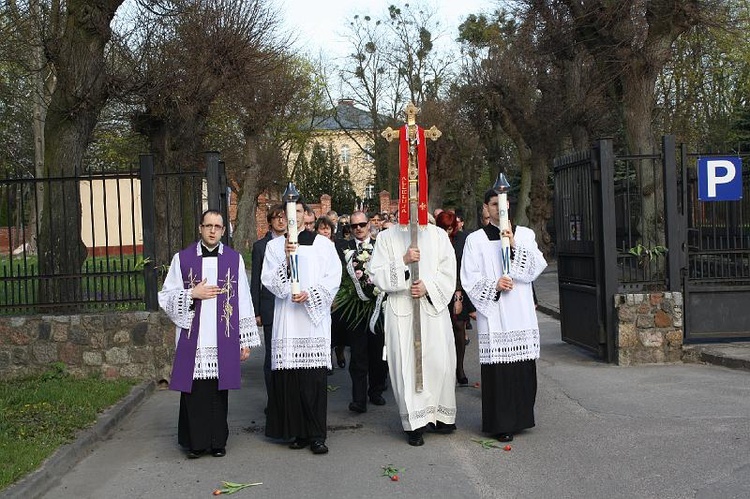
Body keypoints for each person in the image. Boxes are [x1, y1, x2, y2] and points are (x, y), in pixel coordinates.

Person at [158, 209, 260, 459]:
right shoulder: (181, 259)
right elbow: (166, 296)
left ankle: (217, 442)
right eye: (208, 226)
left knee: (217, 390)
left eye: (218, 226)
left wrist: (244, 340)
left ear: (224, 231)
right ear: (200, 229)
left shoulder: (234, 260)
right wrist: (192, 294)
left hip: (222, 337)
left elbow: (244, 300)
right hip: (194, 336)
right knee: (193, 390)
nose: (213, 230)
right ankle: (195, 443)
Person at [460, 188, 547, 443]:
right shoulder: (475, 240)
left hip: (519, 310)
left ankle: (522, 417)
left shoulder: (526, 235)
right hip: (495, 313)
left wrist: (515, 245)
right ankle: (502, 423)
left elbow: (535, 267)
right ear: (486, 208)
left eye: (504, 204)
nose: (499, 208)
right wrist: (494, 285)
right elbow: (469, 277)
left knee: (522, 366)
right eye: (494, 204)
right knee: (499, 371)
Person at [369, 213, 458, 446]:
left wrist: (428, 287)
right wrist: (403, 260)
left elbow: (449, 270)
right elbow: (375, 274)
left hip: (432, 309)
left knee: (439, 363)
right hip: (402, 310)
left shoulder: (438, 235)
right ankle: (414, 424)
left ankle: (440, 415)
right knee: (408, 368)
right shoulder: (386, 237)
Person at [261, 199, 342, 455]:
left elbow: (333, 277)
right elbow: (270, 281)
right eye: (288, 213)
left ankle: (317, 434)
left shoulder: (322, 244)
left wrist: (312, 294)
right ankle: (297, 431)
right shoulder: (275, 246)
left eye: (297, 211)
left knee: (313, 381)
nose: (292, 217)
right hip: (288, 320)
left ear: (306, 215)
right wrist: (286, 259)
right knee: (292, 380)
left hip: (312, 321)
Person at [341, 211, 388, 414]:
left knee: (378, 353)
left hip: (378, 308)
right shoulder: (343, 248)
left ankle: (376, 390)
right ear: (350, 229)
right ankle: (358, 399)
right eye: (354, 226)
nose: (358, 228)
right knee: (358, 355)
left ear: (369, 224)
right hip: (355, 308)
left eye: (362, 224)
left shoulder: (380, 246)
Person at [251, 204, 287, 412]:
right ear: (270, 221)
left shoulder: (295, 241)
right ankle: (273, 400)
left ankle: (286, 398)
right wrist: (256, 311)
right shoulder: (260, 247)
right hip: (270, 306)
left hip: (291, 306)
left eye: (283, 217)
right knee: (272, 356)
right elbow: (256, 280)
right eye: (276, 218)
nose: (280, 221)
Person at [435, 210, 469, 387]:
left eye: (450, 228)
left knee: (458, 327)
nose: (447, 232)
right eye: (444, 228)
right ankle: (445, 369)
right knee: (441, 331)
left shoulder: (463, 239)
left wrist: (458, 293)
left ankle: (460, 368)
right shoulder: (434, 240)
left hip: (459, 289)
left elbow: (464, 266)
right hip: (439, 289)